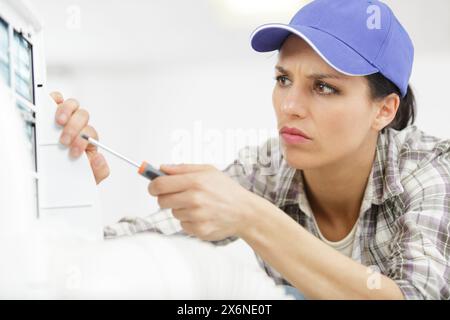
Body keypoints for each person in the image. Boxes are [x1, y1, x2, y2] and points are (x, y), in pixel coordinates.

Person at [50, 0, 449, 299]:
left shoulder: (429, 170)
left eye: (324, 87)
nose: (289, 106)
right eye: (282, 79)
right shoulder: (265, 169)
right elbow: (126, 244)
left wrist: (249, 216)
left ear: (383, 109)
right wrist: (73, 188)